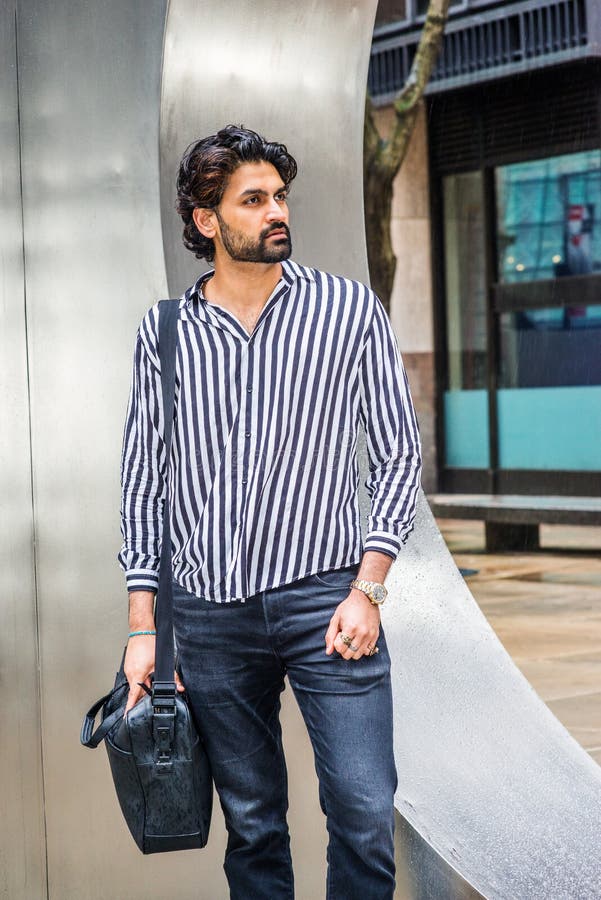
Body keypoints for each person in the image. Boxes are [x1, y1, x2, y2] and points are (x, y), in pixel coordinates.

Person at [119, 124, 421, 899]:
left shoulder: (347, 312)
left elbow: (394, 455)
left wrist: (370, 586)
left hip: (327, 600)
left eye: (279, 196)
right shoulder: (165, 335)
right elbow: (143, 485)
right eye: (252, 200)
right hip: (210, 614)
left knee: (361, 808)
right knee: (252, 825)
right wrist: (144, 627)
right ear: (205, 219)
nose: (274, 211)